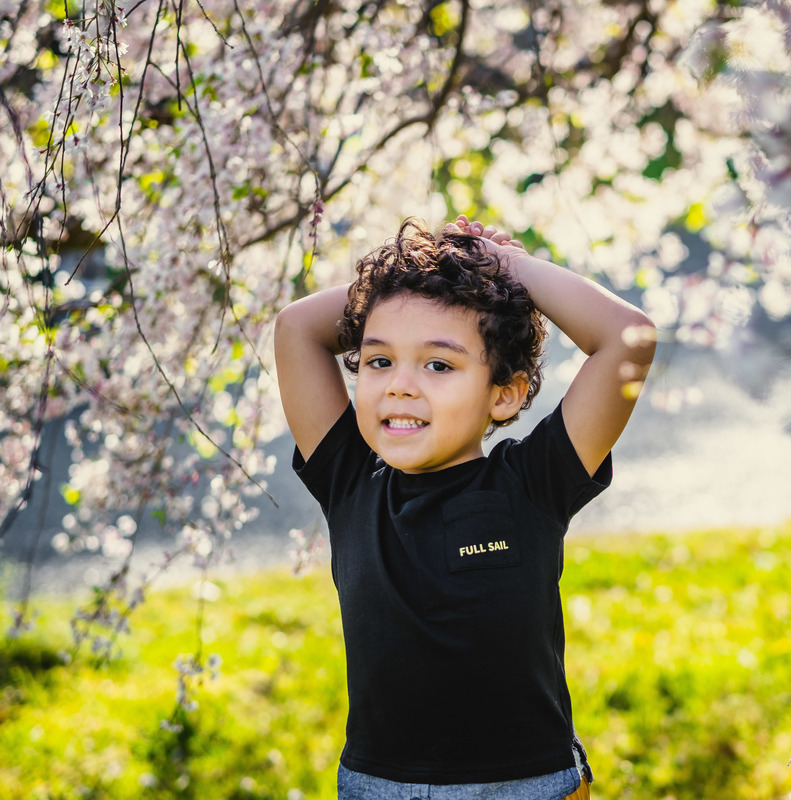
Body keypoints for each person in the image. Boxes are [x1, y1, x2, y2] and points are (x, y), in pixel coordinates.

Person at [274, 214, 656, 800]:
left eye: (438, 364)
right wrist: (429, 267)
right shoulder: (349, 480)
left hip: (528, 788)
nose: (399, 384)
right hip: (377, 788)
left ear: (504, 395)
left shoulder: (534, 483)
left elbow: (629, 338)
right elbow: (296, 327)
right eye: (379, 361)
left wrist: (503, 266)